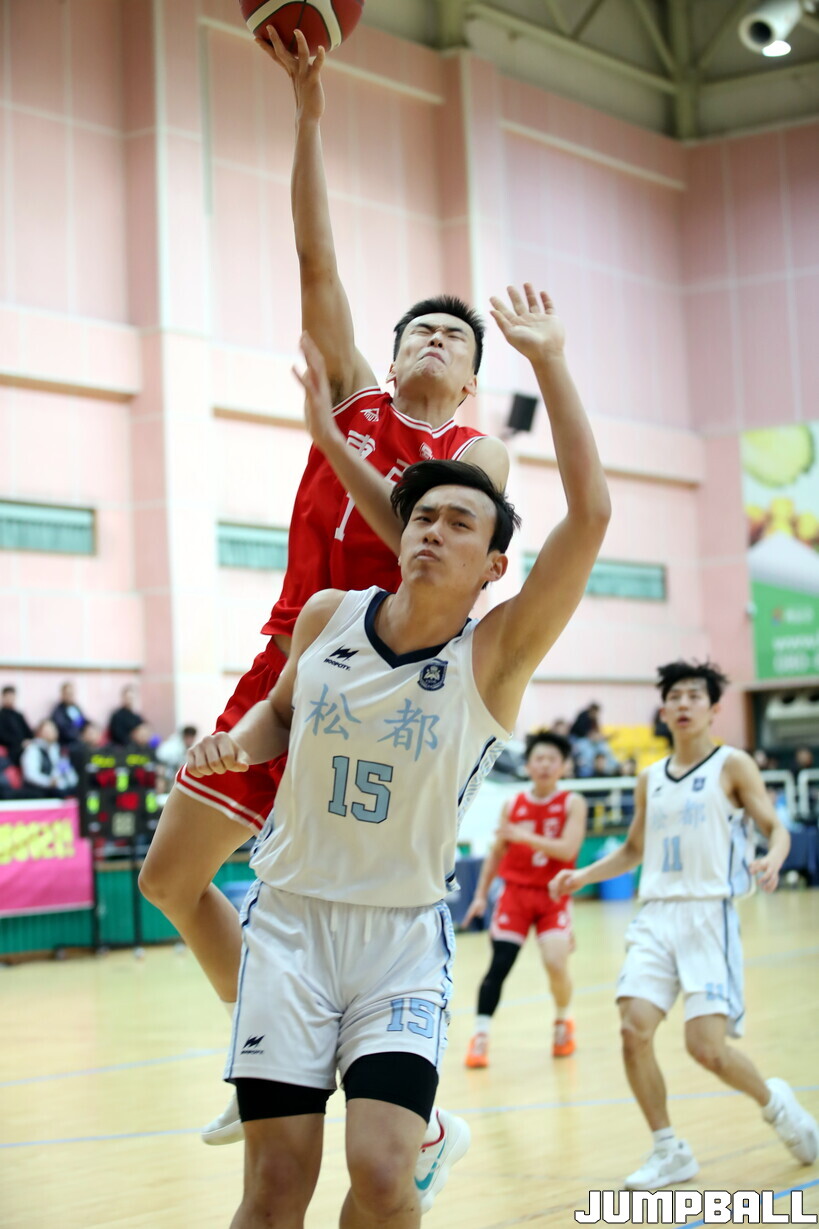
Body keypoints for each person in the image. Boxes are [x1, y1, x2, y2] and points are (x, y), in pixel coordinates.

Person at [138, 23, 509, 1162]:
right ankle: (264, 1045)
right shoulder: (351, 396)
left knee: (357, 907)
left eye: (452, 334)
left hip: (392, 688)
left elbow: (416, 535)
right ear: (387, 359)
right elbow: (316, 259)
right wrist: (308, 113)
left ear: (470, 376)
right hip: (292, 654)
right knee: (169, 876)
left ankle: (413, 1118)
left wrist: (333, 447)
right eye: (418, 329)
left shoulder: (476, 457)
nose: (432, 337)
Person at [184, 282, 610, 1229]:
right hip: (288, 927)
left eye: (460, 523)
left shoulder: (494, 655)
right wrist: (235, 744)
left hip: (399, 944)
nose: (432, 531)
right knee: (274, 1186)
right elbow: (277, 719)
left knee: (382, 1174)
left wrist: (548, 361)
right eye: (421, 517)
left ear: (494, 565)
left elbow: (589, 518)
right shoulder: (329, 617)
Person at [552, 660, 819, 1190]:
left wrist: (773, 858)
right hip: (656, 915)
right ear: (664, 708)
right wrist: (582, 876)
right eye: (674, 696)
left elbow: (775, 827)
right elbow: (634, 848)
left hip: (708, 915)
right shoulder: (649, 777)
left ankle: (776, 1104)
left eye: (694, 695)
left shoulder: (733, 765)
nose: (682, 704)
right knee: (632, 1029)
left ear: (714, 708)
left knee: (707, 1049)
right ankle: (668, 1149)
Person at [462, 730, 586, 1067]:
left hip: (554, 894)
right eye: (538, 759)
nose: (544, 765)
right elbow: (496, 853)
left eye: (552, 759)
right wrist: (479, 896)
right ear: (528, 765)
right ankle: (480, 1035)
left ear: (563, 766)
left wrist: (523, 836)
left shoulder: (572, 803)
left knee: (556, 963)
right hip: (515, 894)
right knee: (499, 964)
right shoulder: (513, 804)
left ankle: (563, 1020)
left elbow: (567, 850)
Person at [20, 719, 79, 799]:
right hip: (41, 790)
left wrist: (73, 783)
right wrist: (49, 782)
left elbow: (67, 770)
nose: (51, 733)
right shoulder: (33, 749)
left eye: (53, 730)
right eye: (47, 730)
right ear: (39, 733)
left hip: (59, 788)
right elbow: (31, 775)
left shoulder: (58, 750)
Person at [0, 685, 34, 766]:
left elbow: (29, 733)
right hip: (12, 749)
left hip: (25, 747)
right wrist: (20, 742)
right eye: (8, 696)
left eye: (12, 696)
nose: (10, 699)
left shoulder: (19, 715)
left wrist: (28, 741)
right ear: (3, 697)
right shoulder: (1, 716)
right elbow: (2, 736)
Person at [50, 681, 90, 749]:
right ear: (62, 695)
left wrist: (89, 728)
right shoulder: (58, 711)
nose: (70, 696)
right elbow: (64, 731)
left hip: (79, 742)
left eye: (71, 694)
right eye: (67, 694)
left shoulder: (76, 708)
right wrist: (80, 735)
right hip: (66, 745)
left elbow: (82, 722)